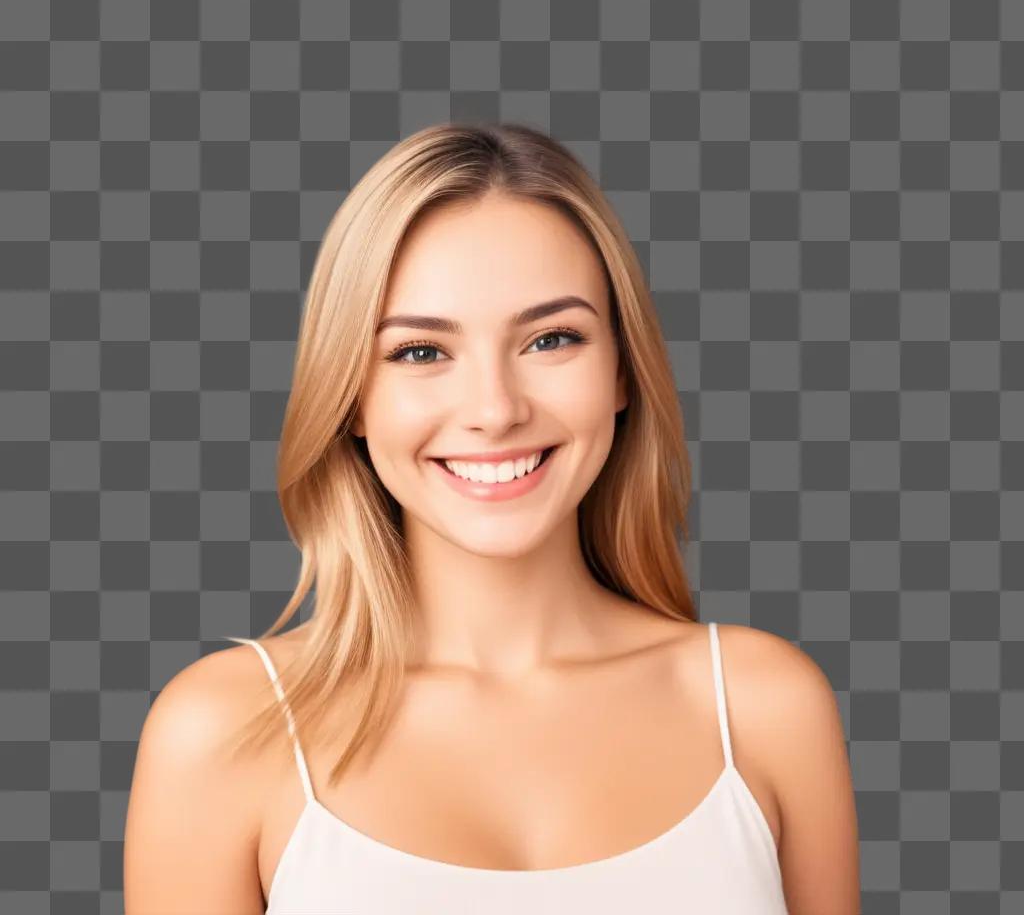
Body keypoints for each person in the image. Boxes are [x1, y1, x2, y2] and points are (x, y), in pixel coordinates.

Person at [123, 122, 860, 913]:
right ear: (353, 400)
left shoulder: (764, 707)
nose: (494, 411)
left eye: (551, 339)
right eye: (419, 352)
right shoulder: (225, 732)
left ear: (622, 372)